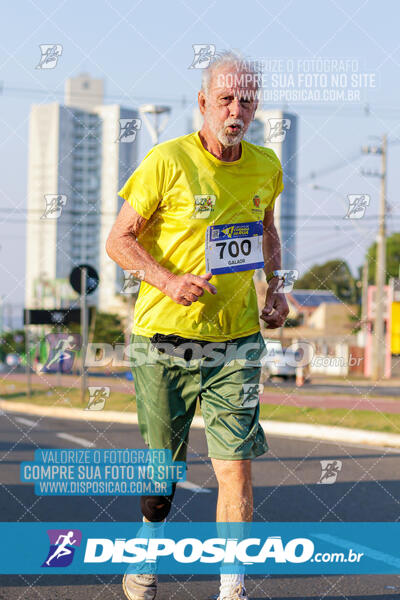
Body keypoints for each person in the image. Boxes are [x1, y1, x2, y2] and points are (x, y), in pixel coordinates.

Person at [106, 50, 289, 600]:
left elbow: (267, 230)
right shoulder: (167, 161)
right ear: (204, 103)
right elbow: (119, 241)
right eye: (226, 99)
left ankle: (230, 588)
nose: (237, 109)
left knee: (234, 469)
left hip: (235, 343)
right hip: (163, 341)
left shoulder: (265, 164)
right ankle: (147, 543)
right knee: (162, 478)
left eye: (247, 100)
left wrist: (275, 290)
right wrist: (167, 281)